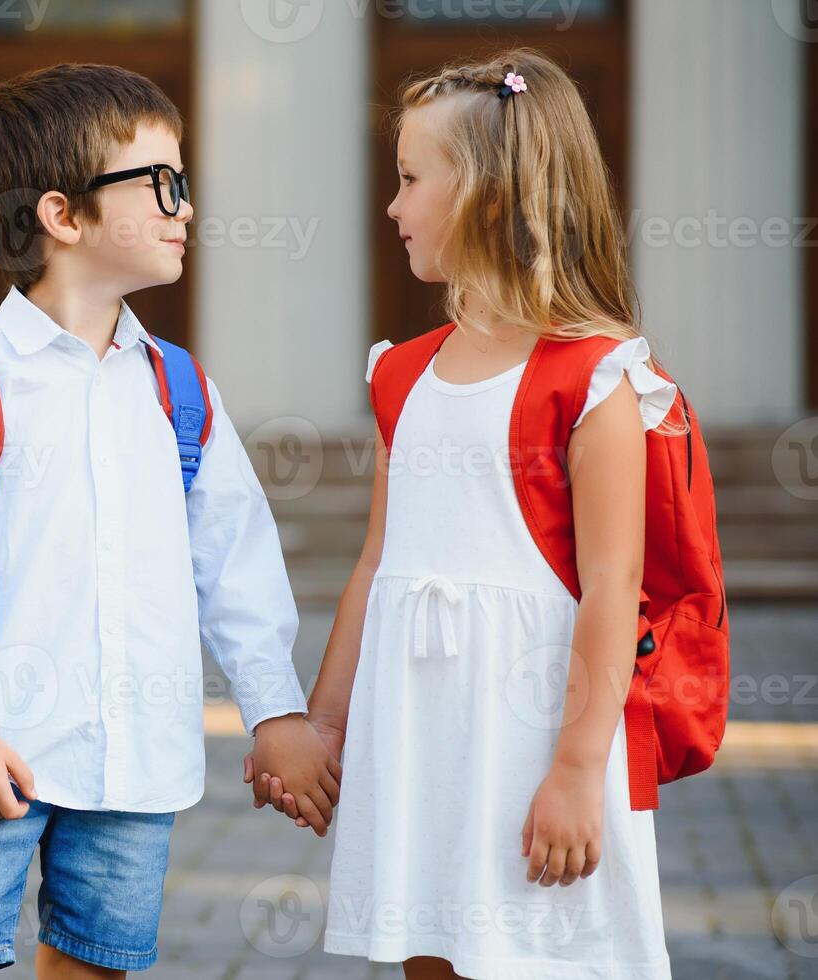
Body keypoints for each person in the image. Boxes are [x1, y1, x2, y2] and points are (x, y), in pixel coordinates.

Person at [0, 62, 339, 978]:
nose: (186, 207)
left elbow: (236, 560)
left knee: (92, 966)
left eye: (186, 183)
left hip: (136, 764)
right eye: (161, 183)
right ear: (62, 214)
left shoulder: (178, 388)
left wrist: (275, 710)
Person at [250, 48, 678, 979]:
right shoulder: (401, 373)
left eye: (409, 180)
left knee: (543, 953)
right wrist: (325, 724)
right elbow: (376, 561)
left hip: (534, 728)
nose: (394, 207)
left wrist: (574, 770)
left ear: (487, 194)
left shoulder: (593, 373)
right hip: (422, 725)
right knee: (430, 952)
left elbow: (614, 585)